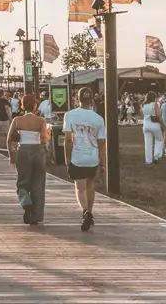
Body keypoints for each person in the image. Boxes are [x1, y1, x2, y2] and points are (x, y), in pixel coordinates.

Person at [62, 87, 106, 232]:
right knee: (90, 185)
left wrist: (67, 158)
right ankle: (90, 212)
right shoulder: (98, 119)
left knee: (79, 188)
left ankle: (85, 211)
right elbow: (102, 144)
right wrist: (103, 163)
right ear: (92, 99)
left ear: (77, 99)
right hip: (92, 157)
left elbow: (68, 140)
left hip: (77, 156)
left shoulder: (70, 115)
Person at [7, 95, 50, 225]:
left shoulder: (17, 120)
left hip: (23, 151)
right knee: (38, 183)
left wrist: (11, 156)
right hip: (38, 151)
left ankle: (26, 201)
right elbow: (43, 139)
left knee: (22, 182)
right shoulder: (41, 121)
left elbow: (9, 139)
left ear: (22, 105)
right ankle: (36, 215)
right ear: (35, 106)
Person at [141, 92, 164, 165]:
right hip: (154, 124)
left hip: (146, 124)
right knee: (159, 140)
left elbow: (142, 114)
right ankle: (156, 156)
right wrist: (162, 122)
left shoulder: (143, 105)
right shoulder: (155, 104)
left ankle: (148, 160)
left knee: (147, 143)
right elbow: (158, 114)